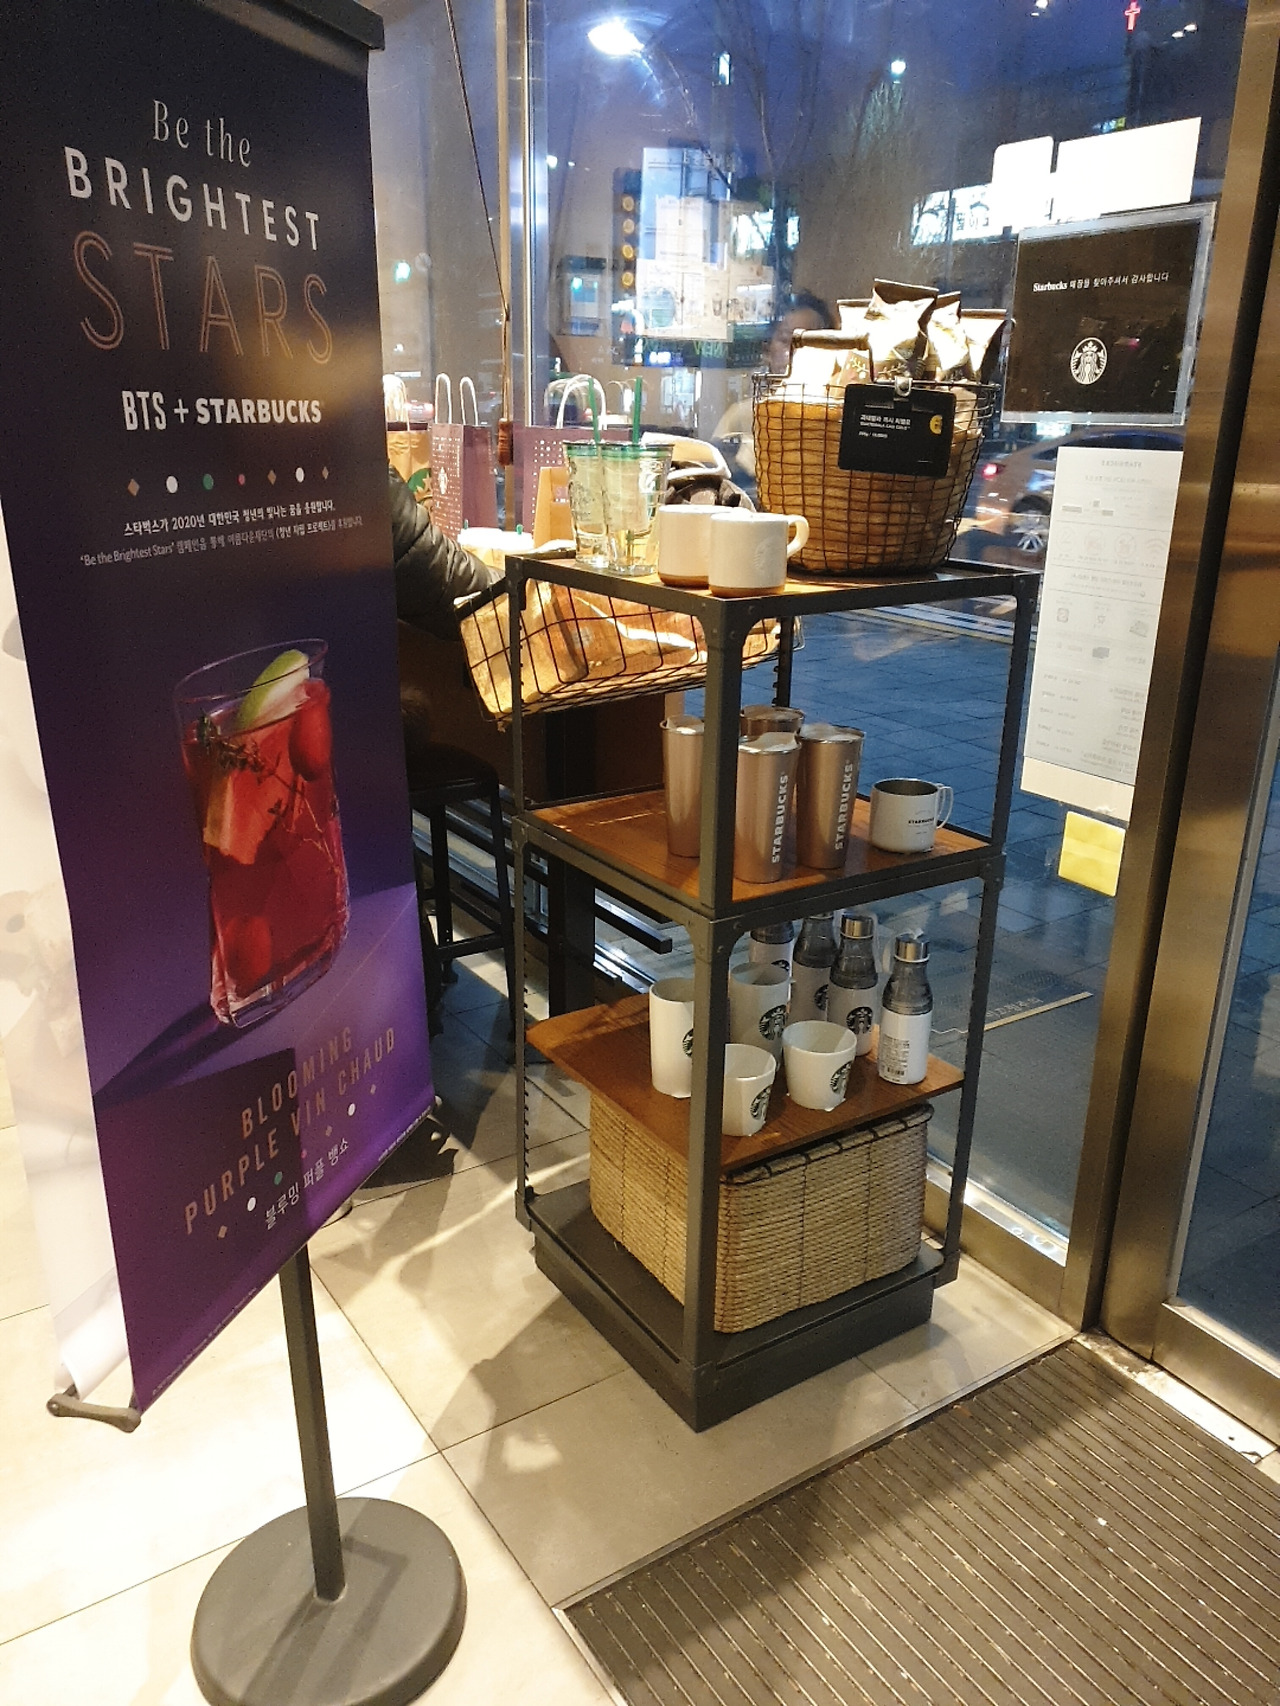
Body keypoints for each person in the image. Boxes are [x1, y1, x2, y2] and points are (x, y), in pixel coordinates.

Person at [712, 290, 835, 493]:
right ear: (767, 351)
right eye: (786, 340)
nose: (797, 352)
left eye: (810, 342)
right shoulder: (743, 416)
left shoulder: (837, 420)